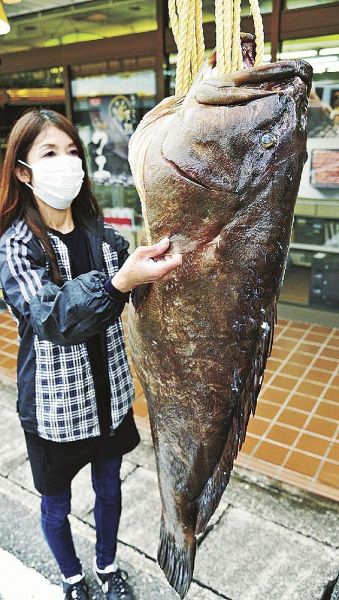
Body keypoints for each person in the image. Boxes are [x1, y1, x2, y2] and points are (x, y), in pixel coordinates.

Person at [0, 109, 182, 600]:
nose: (68, 163)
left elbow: (142, 294)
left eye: (73, 152)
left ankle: (106, 567)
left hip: (110, 399)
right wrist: (122, 281)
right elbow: (53, 318)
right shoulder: (16, 247)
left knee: (110, 489)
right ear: (23, 170)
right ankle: (73, 579)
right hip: (54, 412)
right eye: (50, 153)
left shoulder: (104, 237)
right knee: (56, 505)